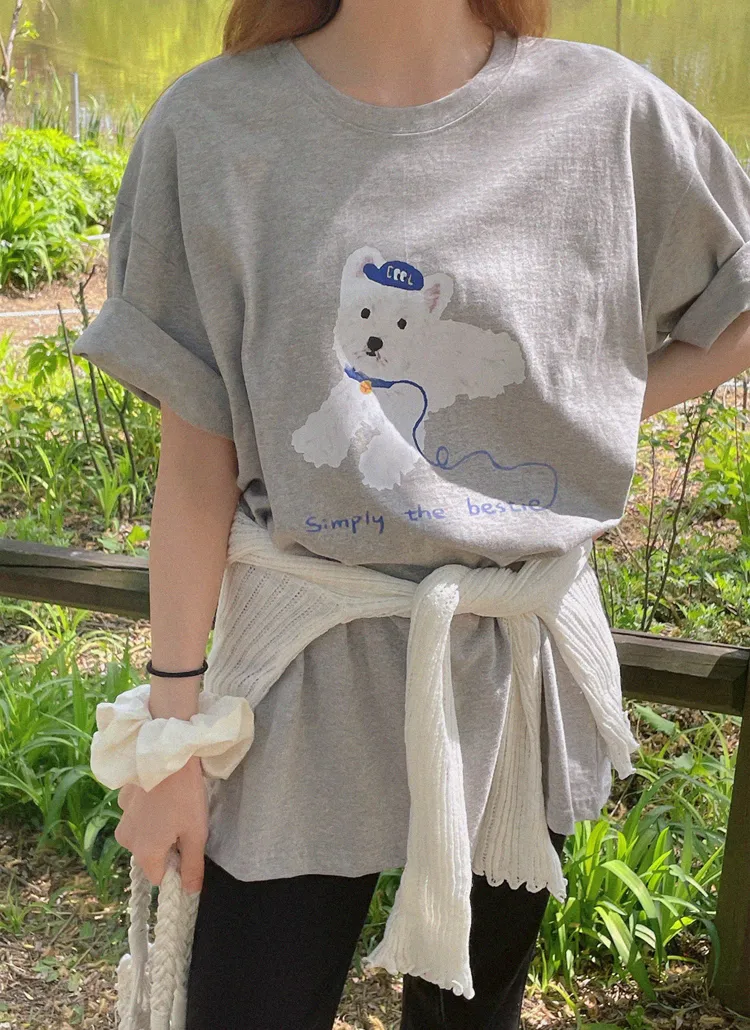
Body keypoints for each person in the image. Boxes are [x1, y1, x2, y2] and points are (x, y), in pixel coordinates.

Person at [72, 0, 750, 1026]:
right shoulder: (211, 127)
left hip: (504, 670)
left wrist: (583, 413)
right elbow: (196, 463)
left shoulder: (607, 113)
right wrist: (170, 739)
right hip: (301, 672)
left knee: (471, 1015)